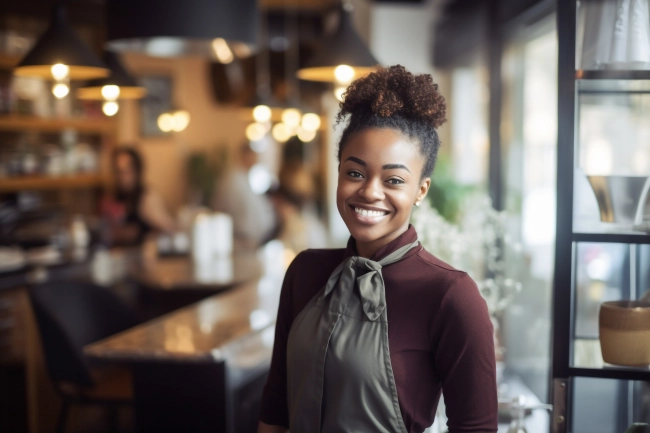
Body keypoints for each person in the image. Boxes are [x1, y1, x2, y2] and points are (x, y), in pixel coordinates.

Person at [258, 66, 498, 433]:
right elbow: (276, 407)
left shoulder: (451, 295)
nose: (370, 191)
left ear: (421, 190)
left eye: (394, 180)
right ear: (338, 173)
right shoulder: (304, 271)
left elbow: (476, 429)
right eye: (355, 173)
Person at [102, 147, 176, 245]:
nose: (122, 177)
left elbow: (170, 228)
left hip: (142, 253)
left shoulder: (147, 196)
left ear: (137, 170)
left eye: (126, 171)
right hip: (119, 253)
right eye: (118, 171)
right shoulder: (115, 195)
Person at [212, 142, 277, 249]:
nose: (256, 159)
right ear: (245, 155)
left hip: (250, 239)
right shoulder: (233, 181)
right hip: (241, 239)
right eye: (253, 155)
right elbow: (242, 212)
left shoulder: (243, 178)